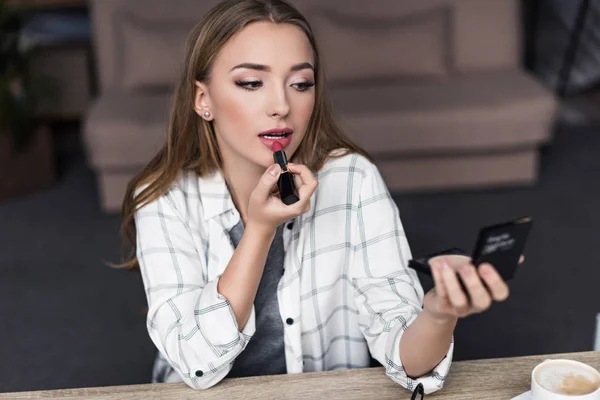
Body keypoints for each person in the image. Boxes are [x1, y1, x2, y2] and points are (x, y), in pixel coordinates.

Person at [117, 0, 516, 394]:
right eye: (252, 83)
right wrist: (259, 231)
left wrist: (439, 313)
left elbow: (410, 363)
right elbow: (195, 363)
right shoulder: (163, 197)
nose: (281, 106)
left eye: (300, 84)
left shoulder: (352, 178)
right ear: (202, 99)